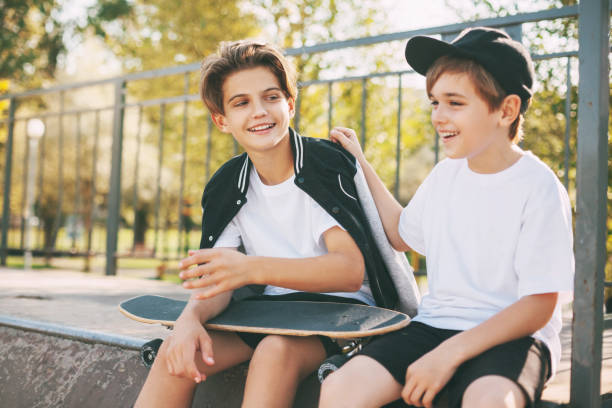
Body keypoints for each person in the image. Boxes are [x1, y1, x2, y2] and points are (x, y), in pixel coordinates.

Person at [134, 40, 419, 408]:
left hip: (342, 315)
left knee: (274, 353)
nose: (259, 112)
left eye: (271, 97)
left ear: (290, 104)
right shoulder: (227, 185)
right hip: (271, 312)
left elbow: (348, 270)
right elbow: (219, 280)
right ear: (222, 120)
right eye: (241, 103)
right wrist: (189, 320)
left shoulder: (322, 165)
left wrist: (248, 269)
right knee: (175, 355)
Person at [319, 27, 574, 408]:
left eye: (455, 103)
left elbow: (539, 306)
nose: (439, 116)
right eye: (434, 102)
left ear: (506, 110)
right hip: (433, 327)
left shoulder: (538, 186)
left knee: (490, 402)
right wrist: (359, 163)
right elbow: (401, 234)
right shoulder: (445, 175)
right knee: (340, 388)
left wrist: (450, 354)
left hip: (514, 338)